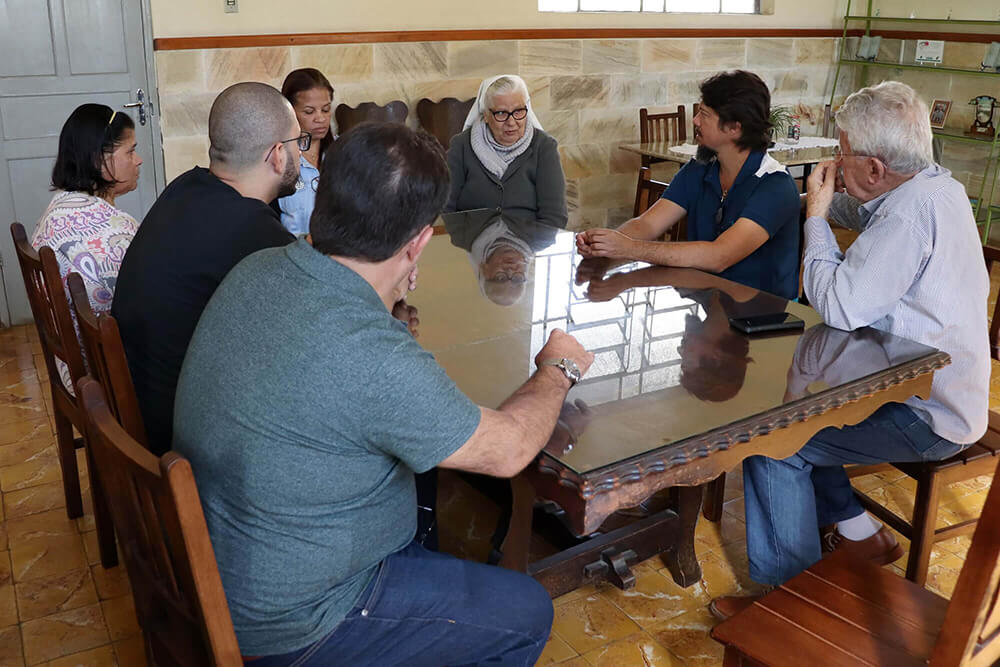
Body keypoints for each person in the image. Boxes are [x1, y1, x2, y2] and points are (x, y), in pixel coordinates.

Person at [172, 122, 594, 665]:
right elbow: (508, 449)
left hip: (226, 557)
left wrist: (388, 298)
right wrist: (558, 367)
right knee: (526, 611)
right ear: (419, 240)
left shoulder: (257, 268)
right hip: (298, 621)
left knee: (421, 478)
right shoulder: (369, 355)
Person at [710, 81, 990, 619]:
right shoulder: (936, 188)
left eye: (842, 151)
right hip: (925, 381)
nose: (836, 159)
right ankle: (861, 534)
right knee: (806, 411)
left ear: (876, 168)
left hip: (930, 413)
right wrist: (818, 199)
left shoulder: (909, 217)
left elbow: (839, 305)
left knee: (776, 441)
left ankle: (787, 602)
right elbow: (875, 217)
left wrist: (815, 218)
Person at [111, 82, 299, 455]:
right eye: (299, 143)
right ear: (277, 154)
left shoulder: (186, 186)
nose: (301, 154)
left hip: (140, 409)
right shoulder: (251, 230)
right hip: (183, 441)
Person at [575, 70, 802, 300]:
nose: (695, 121)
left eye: (704, 114)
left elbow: (718, 257)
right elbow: (648, 224)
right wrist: (603, 247)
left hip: (766, 319)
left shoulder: (775, 186)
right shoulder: (701, 166)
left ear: (734, 128)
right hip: (709, 304)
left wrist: (627, 248)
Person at [32, 103, 142, 392]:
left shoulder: (55, 209)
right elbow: (141, 310)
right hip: (102, 373)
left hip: (71, 365)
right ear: (99, 160)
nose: (138, 160)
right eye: (130, 151)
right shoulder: (118, 228)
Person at [445, 74, 568, 228]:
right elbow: (445, 207)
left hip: (528, 242)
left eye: (518, 112)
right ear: (487, 115)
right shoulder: (461, 146)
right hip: (471, 241)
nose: (511, 122)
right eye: (501, 113)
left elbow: (554, 216)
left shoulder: (544, 147)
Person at [444, 209, 560, 306]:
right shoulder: (544, 236)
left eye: (500, 278)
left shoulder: (460, 234)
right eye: (517, 279)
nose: (510, 270)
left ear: (485, 270)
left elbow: (451, 188)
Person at [275, 68, 335, 236]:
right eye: (309, 111)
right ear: (289, 112)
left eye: (326, 109)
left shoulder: (343, 152)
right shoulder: (277, 159)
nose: (320, 118)